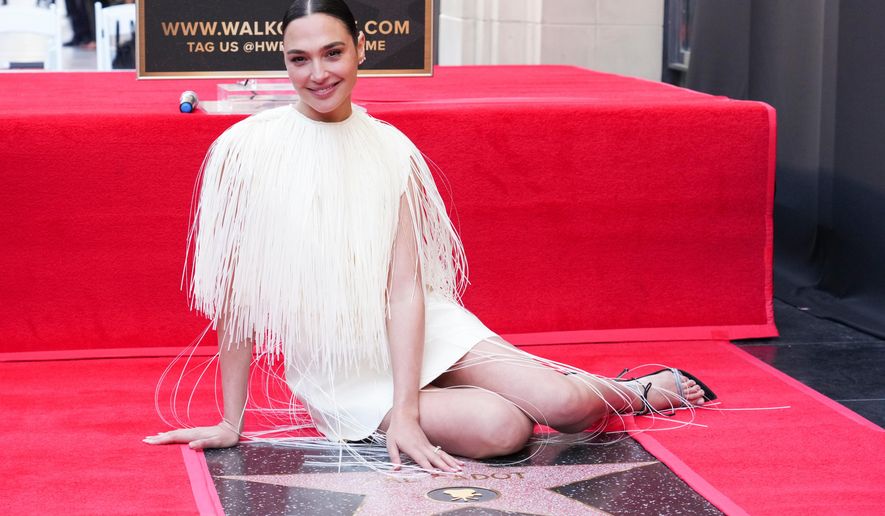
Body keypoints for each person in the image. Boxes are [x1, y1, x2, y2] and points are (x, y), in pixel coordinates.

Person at [144, 0, 714, 474]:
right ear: (285, 64)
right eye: (300, 59)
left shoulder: (391, 149)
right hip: (345, 368)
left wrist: (412, 412)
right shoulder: (244, 150)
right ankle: (537, 396)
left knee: (565, 404)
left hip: (426, 330)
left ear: (361, 49)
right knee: (502, 428)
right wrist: (230, 421)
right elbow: (237, 300)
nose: (318, 73)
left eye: (333, 53)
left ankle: (637, 392)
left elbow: (405, 292)